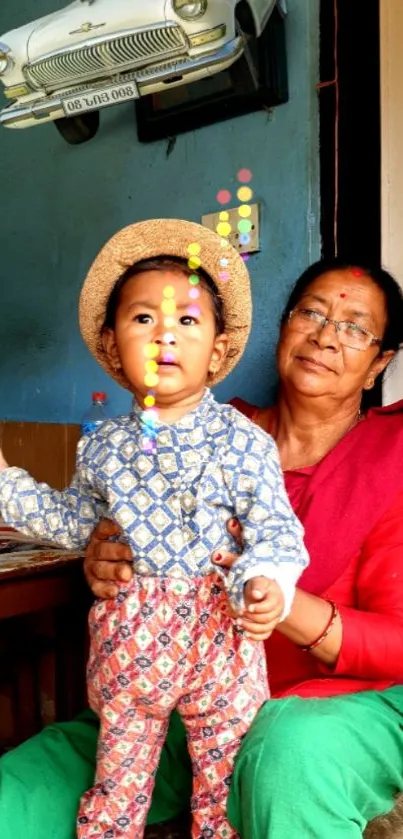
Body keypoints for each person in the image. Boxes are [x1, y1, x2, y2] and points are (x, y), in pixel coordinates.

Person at [0, 256, 403, 839]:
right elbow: (91, 517)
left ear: (379, 363)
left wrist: (274, 598)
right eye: (311, 312)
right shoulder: (178, 435)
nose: (324, 335)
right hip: (147, 676)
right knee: (19, 795)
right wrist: (104, 552)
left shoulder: (390, 456)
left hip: (318, 708)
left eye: (354, 327)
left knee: (286, 757)